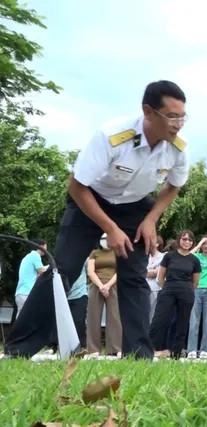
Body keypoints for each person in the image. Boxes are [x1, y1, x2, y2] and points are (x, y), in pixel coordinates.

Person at [3, 80, 189, 359]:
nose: (178, 124)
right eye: (171, 116)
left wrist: (151, 219)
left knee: (134, 275)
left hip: (135, 206)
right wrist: (109, 227)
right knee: (61, 270)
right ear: (148, 112)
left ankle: (139, 354)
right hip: (90, 200)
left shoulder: (177, 149)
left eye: (182, 116)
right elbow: (77, 186)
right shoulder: (112, 136)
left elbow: (173, 185)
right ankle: (19, 349)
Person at [149, 230, 201, 359]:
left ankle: (176, 353)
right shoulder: (169, 256)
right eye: (184, 239)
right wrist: (167, 288)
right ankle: (150, 348)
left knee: (182, 322)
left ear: (193, 242)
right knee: (159, 320)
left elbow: (195, 282)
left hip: (186, 291)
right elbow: (161, 277)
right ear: (179, 240)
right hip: (169, 289)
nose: (186, 242)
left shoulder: (194, 260)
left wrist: (185, 288)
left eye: (189, 240)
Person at [86, 234, 121, 356]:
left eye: (107, 239)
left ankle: (115, 348)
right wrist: (101, 285)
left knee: (114, 316)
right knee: (93, 316)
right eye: (102, 239)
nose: (105, 241)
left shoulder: (116, 252)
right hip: (96, 285)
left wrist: (108, 285)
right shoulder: (94, 253)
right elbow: (90, 271)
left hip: (113, 285)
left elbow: (119, 271)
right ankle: (93, 349)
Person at [14, 238, 48, 318]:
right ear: (41, 246)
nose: (46, 249)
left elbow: (38, 273)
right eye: (46, 246)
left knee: (21, 320)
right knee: (27, 319)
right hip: (27, 293)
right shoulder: (35, 255)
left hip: (21, 293)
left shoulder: (28, 257)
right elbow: (42, 272)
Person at [146, 236, 165, 322]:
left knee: (153, 315)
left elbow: (158, 272)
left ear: (157, 244)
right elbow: (139, 271)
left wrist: (146, 272)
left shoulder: (163, 257)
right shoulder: (145, 256)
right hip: (144, 288)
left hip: (156, 289)